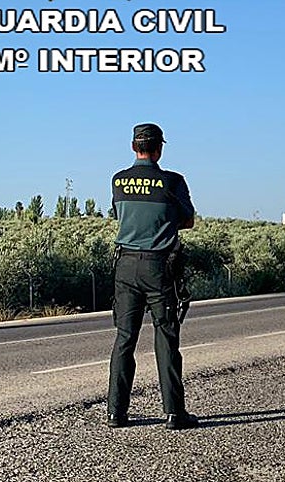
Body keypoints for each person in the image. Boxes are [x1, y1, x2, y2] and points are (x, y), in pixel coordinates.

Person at [107, 123, 199, 430]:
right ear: (159, 149)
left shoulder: (118, 181)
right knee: (166, 338)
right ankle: (174, 413)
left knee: (124, 339)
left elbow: (119, 215)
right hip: (160, 268)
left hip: (125, 267)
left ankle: (115, 413)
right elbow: (188, 220)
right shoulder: (172, 182)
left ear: (134, 147)